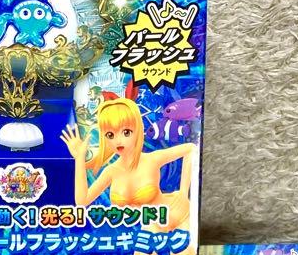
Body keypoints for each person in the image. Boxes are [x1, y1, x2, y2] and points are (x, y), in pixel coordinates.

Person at [60, 96, 196, 247]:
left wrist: (184, 192)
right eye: (110, 135)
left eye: (126, 132)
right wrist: (79, 158)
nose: (118, 141)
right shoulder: (111, 171)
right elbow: (82, 201)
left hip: (179, 213)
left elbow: (191, 149)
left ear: (137, 130)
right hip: (152, 225)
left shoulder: (152, 159)